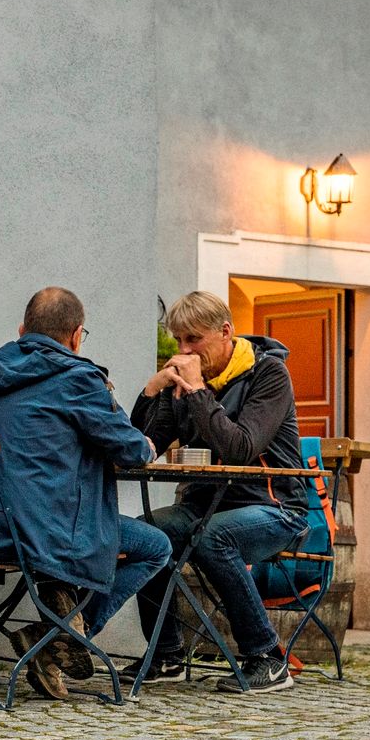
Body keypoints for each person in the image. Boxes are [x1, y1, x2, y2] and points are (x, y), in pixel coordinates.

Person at [0, 287, 172, 700]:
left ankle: (61, 624)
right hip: (42, 534)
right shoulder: (77, 378)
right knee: (155, 545)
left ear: (21, 330)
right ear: (77, 335)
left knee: (67, 524)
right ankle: (58, 638)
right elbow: (133, 449)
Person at [129, 290, 309, 693]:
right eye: (178, 341)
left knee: (214, 537)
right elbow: (142, 444)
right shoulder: (187, 384)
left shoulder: (269, 375)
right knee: (145, 535)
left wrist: (197, 393)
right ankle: (167, 655)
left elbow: (242, 448)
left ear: (225, 332)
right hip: (203, 506)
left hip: (274, 507)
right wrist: (151, 391)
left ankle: (268, 658)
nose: (184, 350)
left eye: (194, 339)